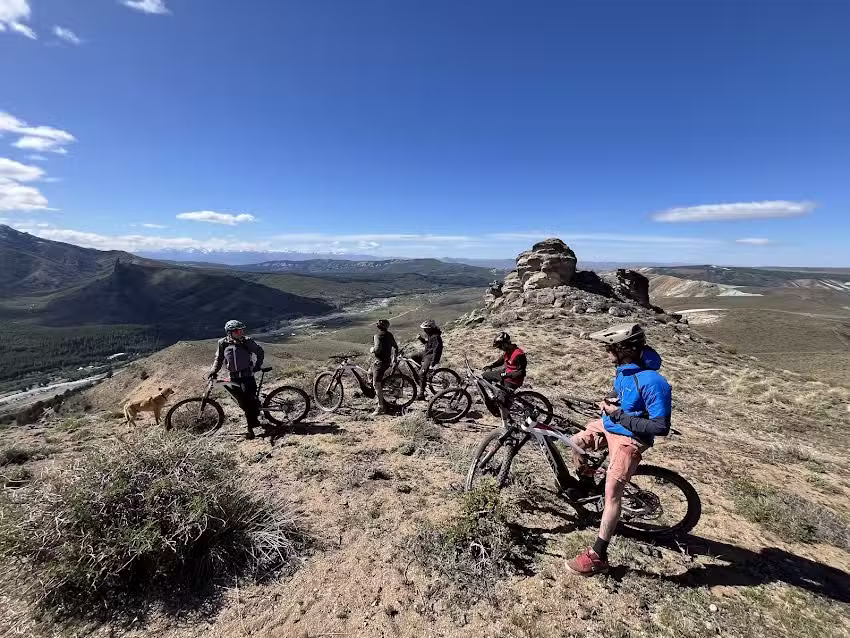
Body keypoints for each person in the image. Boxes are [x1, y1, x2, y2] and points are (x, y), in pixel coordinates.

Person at [566, 322, 671, 576]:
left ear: (624, 349)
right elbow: (621, 393)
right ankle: (589, 483)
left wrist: (619, 415)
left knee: (613, 493)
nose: (607, 351)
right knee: (575, 442)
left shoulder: (654, 381)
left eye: (610, 347)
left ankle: (598, 555)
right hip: (610, 425)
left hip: (631, 437)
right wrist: (609, 402)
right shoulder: (623, 370)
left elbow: (660, 426)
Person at [208, 319, 265, 440]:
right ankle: (254, 418)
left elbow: (259, 351)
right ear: (229, 332)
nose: (241, 333)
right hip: (234, 377)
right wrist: (213, 371)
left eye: (242, 330)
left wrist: (257, 365)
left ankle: (250, 429)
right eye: (237, 331)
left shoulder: (247, 341)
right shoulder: (223, 343)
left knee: (248, 402)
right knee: (242, 402)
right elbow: (218, 359)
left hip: (247, 376)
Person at [369, 318, 398, 416]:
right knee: (369, 373)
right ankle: (376, 396)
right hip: (387, 361)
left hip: (380, 362)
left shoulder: (377, 336)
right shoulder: (389, 335)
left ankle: (380, 407)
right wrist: (394, 358)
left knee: (376, 384)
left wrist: (372, 349)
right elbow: (395, 346)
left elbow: (377, 349)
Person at [411, 319, 443, 399]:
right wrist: (421, 339)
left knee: (421, 374)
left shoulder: (436, 337)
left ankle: (421, 394)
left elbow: (437, 350)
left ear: (430, 328)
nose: (424, 330)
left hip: (430, 356)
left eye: (425, 329)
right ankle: (423, 370)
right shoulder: (431, 334)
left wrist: (433, 362)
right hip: (426, 353)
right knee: (413, 356)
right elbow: (428, 344)